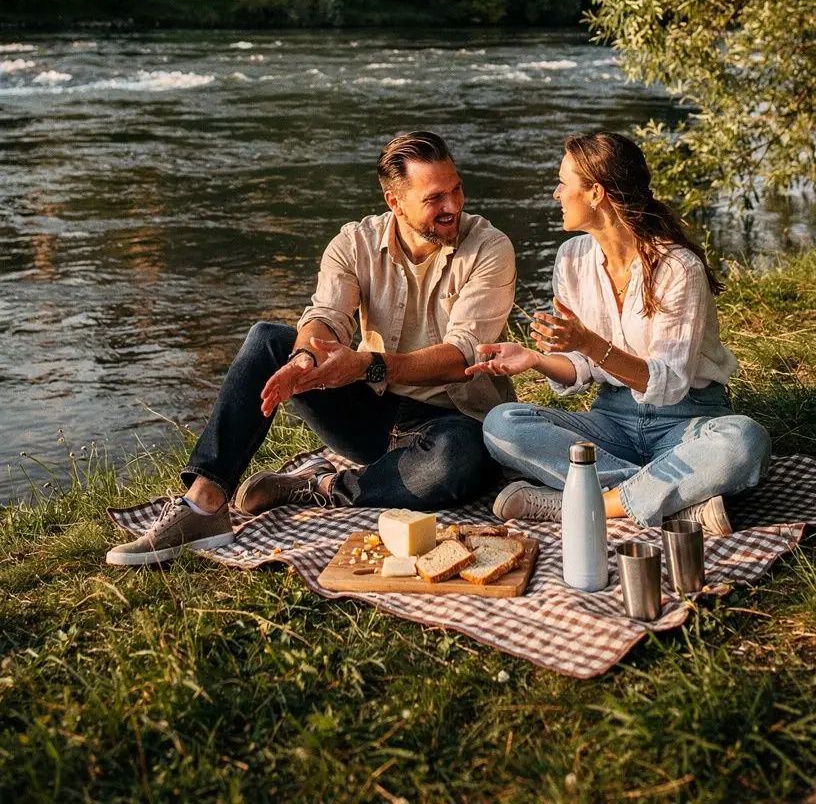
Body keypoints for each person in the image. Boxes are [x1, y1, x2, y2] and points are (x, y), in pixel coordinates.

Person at [106, 130, 517, 566]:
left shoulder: (490, 248)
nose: (453, 206)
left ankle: (314, 487)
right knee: (267, 340)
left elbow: (462, 357)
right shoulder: (353, 244)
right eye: (435, 198)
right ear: (394, 202)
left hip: (455, 423)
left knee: (457, 464)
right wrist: (306, 358)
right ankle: (204, 504)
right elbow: (325, 317)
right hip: (374, 417)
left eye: (456, 189)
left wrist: (365, 366)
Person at [467, 131, 771, 535]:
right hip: (612, 421)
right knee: (502, 424)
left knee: (744, 443)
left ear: (595, 193)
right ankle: (674, 502)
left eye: (563, 182)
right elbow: (583, 367)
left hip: (687, 421)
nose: (556, 194)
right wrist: (536, 360)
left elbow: (670, 384)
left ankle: (582, 504)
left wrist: (588, 342)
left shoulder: (679, 269)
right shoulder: (571, 259)